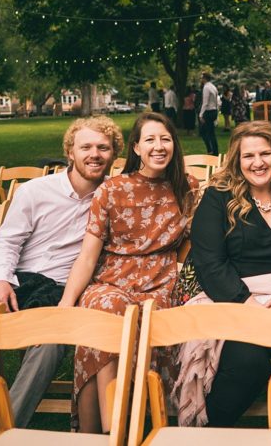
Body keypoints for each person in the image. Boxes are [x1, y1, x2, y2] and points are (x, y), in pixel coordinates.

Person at [0, 116, 123, 436]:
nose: (95, 154)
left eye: (104, 147)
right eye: (85, 146)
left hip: (58, 287)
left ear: (114, 154)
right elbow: (5, 242)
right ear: (70, 152)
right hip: (14, 276)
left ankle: (0, 432)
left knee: (50, 344)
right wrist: (0, 281)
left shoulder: (115, 198)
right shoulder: (36, 191)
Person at [59, 112, 198, 433]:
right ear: (136, 148)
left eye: (165, 139)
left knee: (151, 314)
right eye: (150, 139)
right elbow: (87, 255)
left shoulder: (187, 188)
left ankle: (120, 425)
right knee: (107, 310)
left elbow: (190, 246)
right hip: (112, 279)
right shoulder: (112, 189)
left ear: (174, 145)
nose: (158, 146)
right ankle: (111, 429)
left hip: (161, 282)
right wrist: (66, 303)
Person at [179, 120, 271, 426]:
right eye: (249, 156)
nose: (258, 163)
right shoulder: (218, 198)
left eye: (265, 154)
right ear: (237, 160)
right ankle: (207, 433)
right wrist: (248, 305)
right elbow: (210, 262)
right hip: (233, 299)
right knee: (250, 362)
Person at [199, 72, 219, 156]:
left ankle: (212, 150)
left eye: (201, 78)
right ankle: (212, 150)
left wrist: (201, 114)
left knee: (205, 132)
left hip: (208, 111)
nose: (201, 79)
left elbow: (205, 102)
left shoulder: (206, 87)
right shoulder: (213, 87)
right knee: (210, 132)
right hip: (214, 110)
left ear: (204, 78)